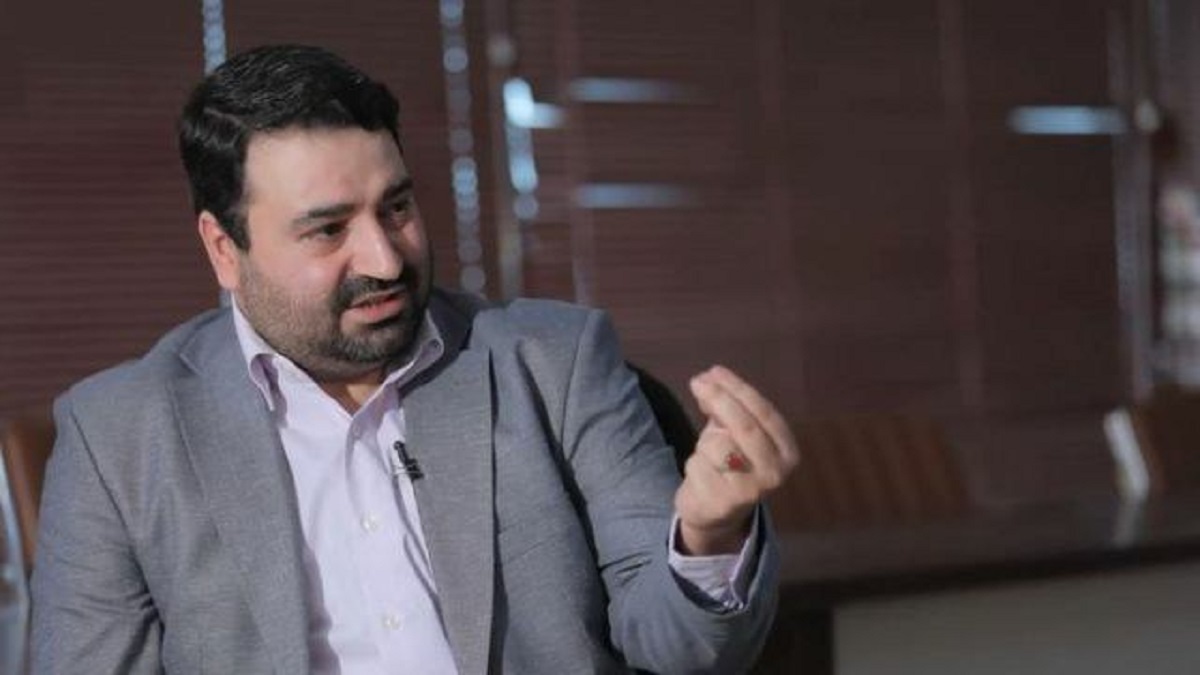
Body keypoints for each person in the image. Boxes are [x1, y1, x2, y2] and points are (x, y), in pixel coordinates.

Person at [30, 45, 798, 674]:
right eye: (328, 229)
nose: (385, 259)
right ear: (224, 249)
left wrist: (708, 535)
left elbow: (683, 647)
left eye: (396, 207)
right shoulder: (118, 436)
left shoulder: (554, 364)